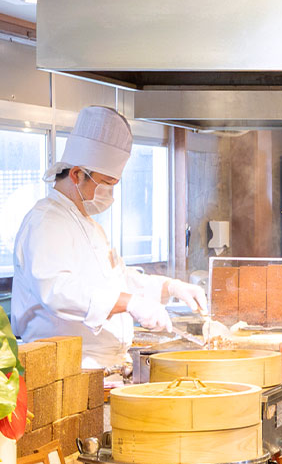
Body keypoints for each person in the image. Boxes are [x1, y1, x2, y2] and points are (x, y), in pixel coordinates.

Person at [12, 105, 207, 369]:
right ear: (77, 174)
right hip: (65, 369)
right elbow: (57, 291)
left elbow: (117, 282)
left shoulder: (88, 224)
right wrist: (130, 303)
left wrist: (169, 287)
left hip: (103, 369)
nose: (110, 193)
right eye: (106, 182)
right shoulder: (47, 221)